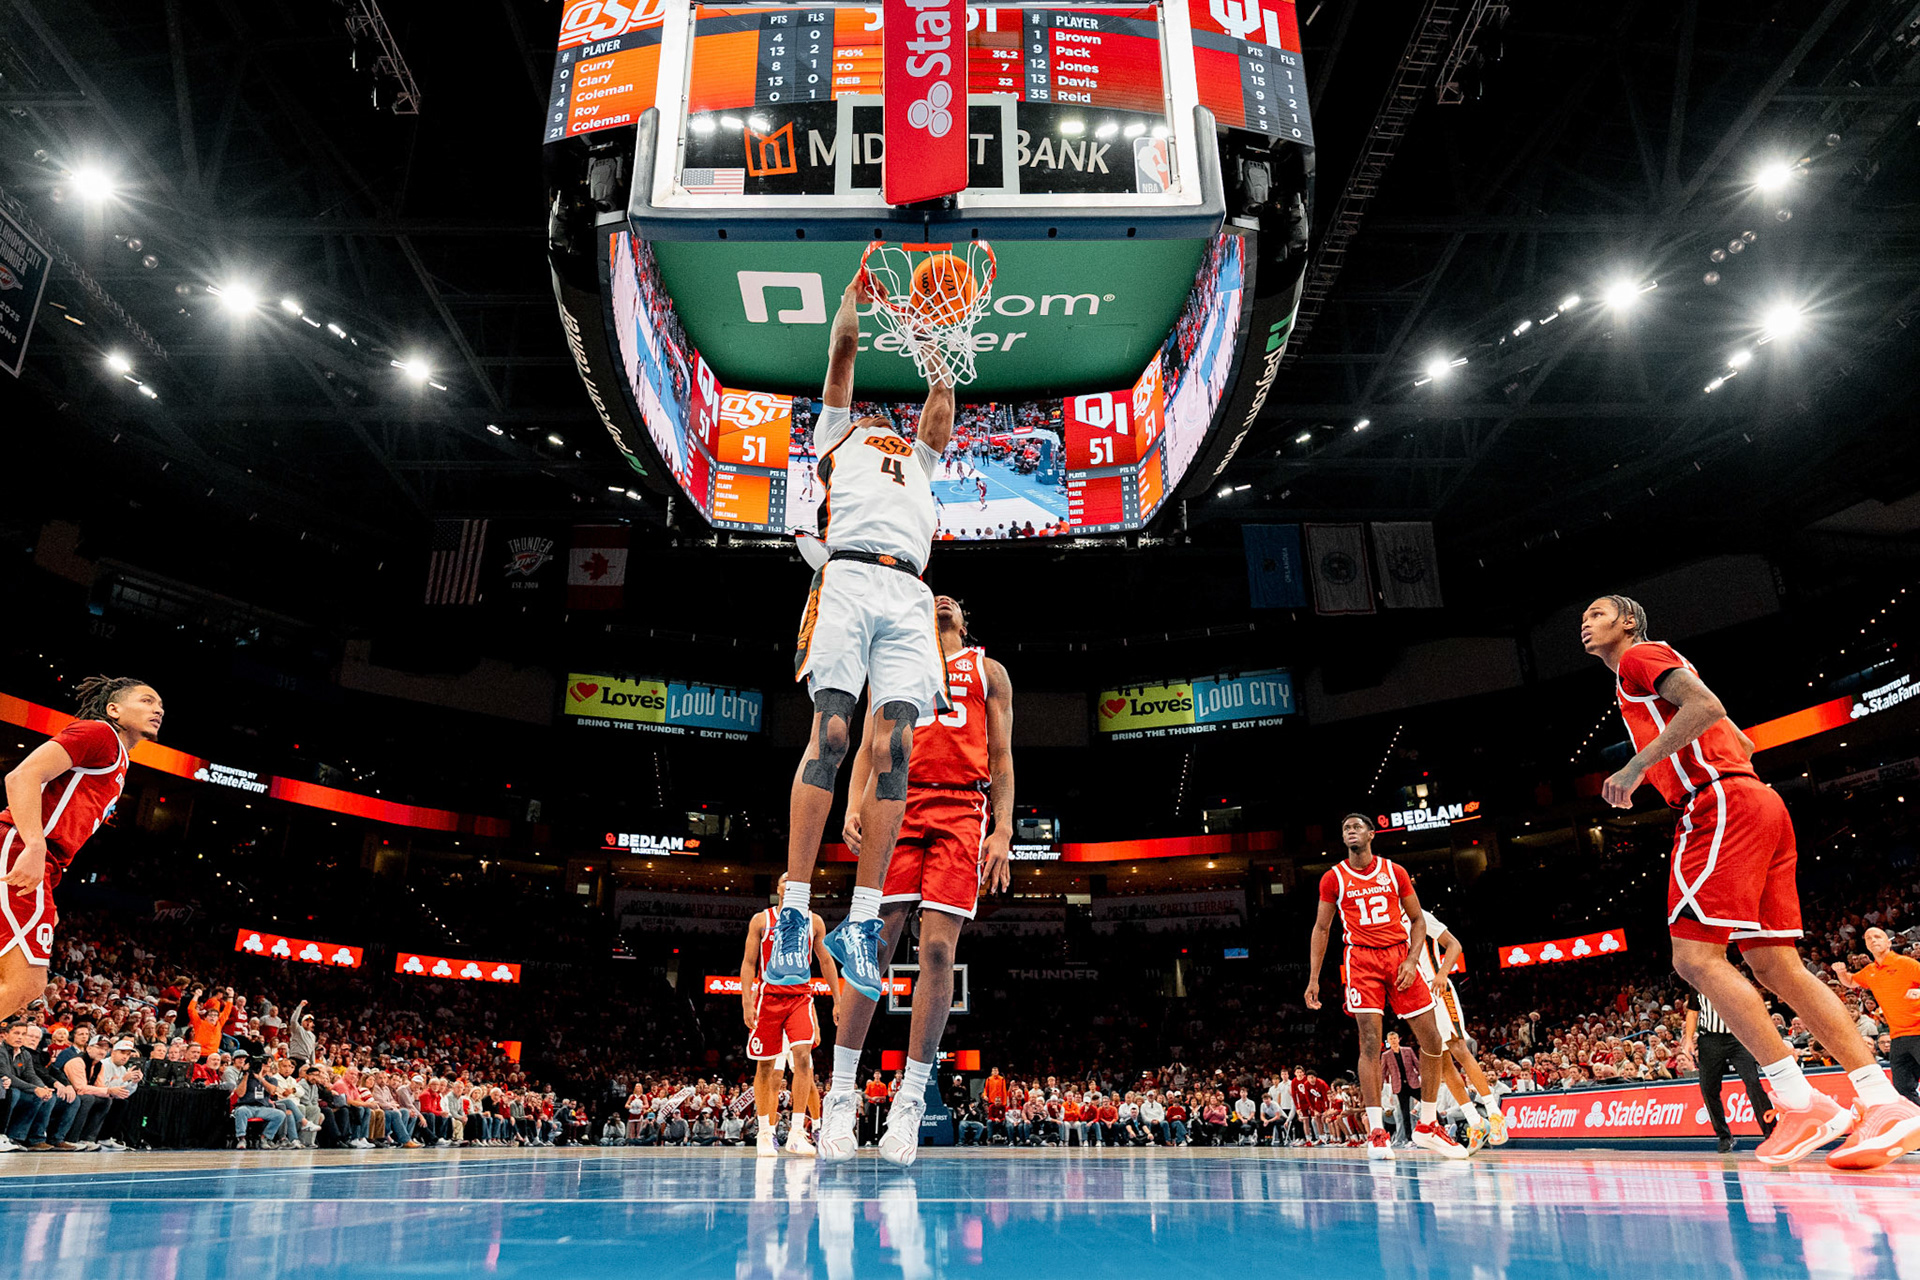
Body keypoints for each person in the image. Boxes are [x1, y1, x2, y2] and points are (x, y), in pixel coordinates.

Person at [1583, 594, 1920, 1168]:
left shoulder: (1640, 658)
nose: (1585, 624)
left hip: (1717, 804)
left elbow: (1707, 706)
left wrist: (1641, 765)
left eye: (1597, 614)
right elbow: (1741, 739)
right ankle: (1882, 1100)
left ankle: (1799, 1101)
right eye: (1583, 618)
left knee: (1693, 960)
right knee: (1775, 965)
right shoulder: (1650, 673)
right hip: (1757, 801)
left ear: (1629, 622)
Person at [768, 270, 958, 1015]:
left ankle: (864, 916)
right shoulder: (834, 432)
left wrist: (931, 337)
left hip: (909, 592)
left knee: (898, 748)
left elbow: (942, 404)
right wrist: (855, 293)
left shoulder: (923, 459)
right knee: (835, 730)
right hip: (846, 580)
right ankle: (793, 911)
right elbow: (844, 347)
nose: (887, 418)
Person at [824, 596, 1014, 1165]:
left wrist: (1004, 829)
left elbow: (1002, 759)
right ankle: (839, 1095)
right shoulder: (897, 658)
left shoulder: (989, 670)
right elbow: (866, 747)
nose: (944, 598)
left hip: (961, 807)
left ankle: (908, 1102)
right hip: (896, 801)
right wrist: (854, 804)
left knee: (936, 949)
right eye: (934, 595)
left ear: (965, 620)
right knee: (872, 947)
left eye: (954, 601)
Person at [1305, 813, 1469, 1161]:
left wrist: (1411, 960)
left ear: (1371, 834)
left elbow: (1418, 919)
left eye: (1356, 826)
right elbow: (1322, 929)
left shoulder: (1394, 871)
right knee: (1369, 1043)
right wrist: (1314, 978)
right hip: (1361, 959)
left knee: (1433, 1040)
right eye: (1345, 826)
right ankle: (1377, 1132)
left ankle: (1427, 1125)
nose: (1350, 829)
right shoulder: (1333, 878)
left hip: (1398, 957)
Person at [0, 677, 158, 1018]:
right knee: (26, 983)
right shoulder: (99, 734)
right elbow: (22, 776)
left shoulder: (120, 760)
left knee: (13, 978)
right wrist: (34, 846)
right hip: (18, 844)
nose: (157, 709)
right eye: (147, 701)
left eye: (160, 706)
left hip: (39, 858)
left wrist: (47, 887)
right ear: (114, 709)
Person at [740, 874, 841, 1158]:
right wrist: (747, 1002)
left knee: (803, 1058)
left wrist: (838, 999)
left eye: (795, 880)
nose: (790, 883)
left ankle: (798, 1132)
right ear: (778, 888)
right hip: (768, 999)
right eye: (785, 879)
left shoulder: (814, 921)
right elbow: (749, 963)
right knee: (766, 1068)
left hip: (800, 998)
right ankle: (764, 1132)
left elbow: (825, 960)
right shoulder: (762, 920)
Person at [1415, 908, 1508, 1147]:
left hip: (1437, 987)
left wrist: (1443, 974)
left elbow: (1454, 945)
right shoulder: (1388, 925)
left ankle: (1494, 1113)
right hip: (1416, 998)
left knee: (1459, 1050)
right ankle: (1475, 1121)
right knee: (1442, 1061)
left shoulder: (1421, 915)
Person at [1832, 927, 1920, 1104]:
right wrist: (1841, 973)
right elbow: (1850, 982)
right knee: (1902, 1089)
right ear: (1866, 945)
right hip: (1897, 1037)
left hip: (1918, 1031)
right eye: (1868, 938)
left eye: (1878, 936)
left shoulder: (1906, 964)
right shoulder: (1870, 971)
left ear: (1888, 942)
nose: (1873, 940)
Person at [1684, 989, 1774, 1152]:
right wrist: (1688, 1039)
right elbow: (1692, 1013)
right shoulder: (1697, 982)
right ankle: (1724, 1137)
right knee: (1708, 1088)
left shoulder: (1733, 979)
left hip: (1738, 1037)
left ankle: (1772, 1134)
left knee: (1753, 1082)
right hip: (1710, 1039)